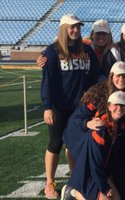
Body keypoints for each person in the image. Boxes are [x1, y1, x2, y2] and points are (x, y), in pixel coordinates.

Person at [41, 14, 100, 199]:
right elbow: (47, 81)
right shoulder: (52, 51)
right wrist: (47, 106)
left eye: (78, 27)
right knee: (55, 143)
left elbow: (95, 77)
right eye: (71, 27)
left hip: (80, 108)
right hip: (59, 106)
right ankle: (50, 182)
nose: (75, 30)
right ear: (63, 28)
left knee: (75, 144)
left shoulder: (87, 50)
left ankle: (76, 179)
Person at [61, 91, 125, 200]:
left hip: (101, 172)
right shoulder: (100, 127)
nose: (119, 108)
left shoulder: (121, 127)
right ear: (109, 106)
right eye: (116, 104)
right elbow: (94, 162)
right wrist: (104, 187)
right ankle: (73, 191)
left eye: (123, 105)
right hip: (88, 173)